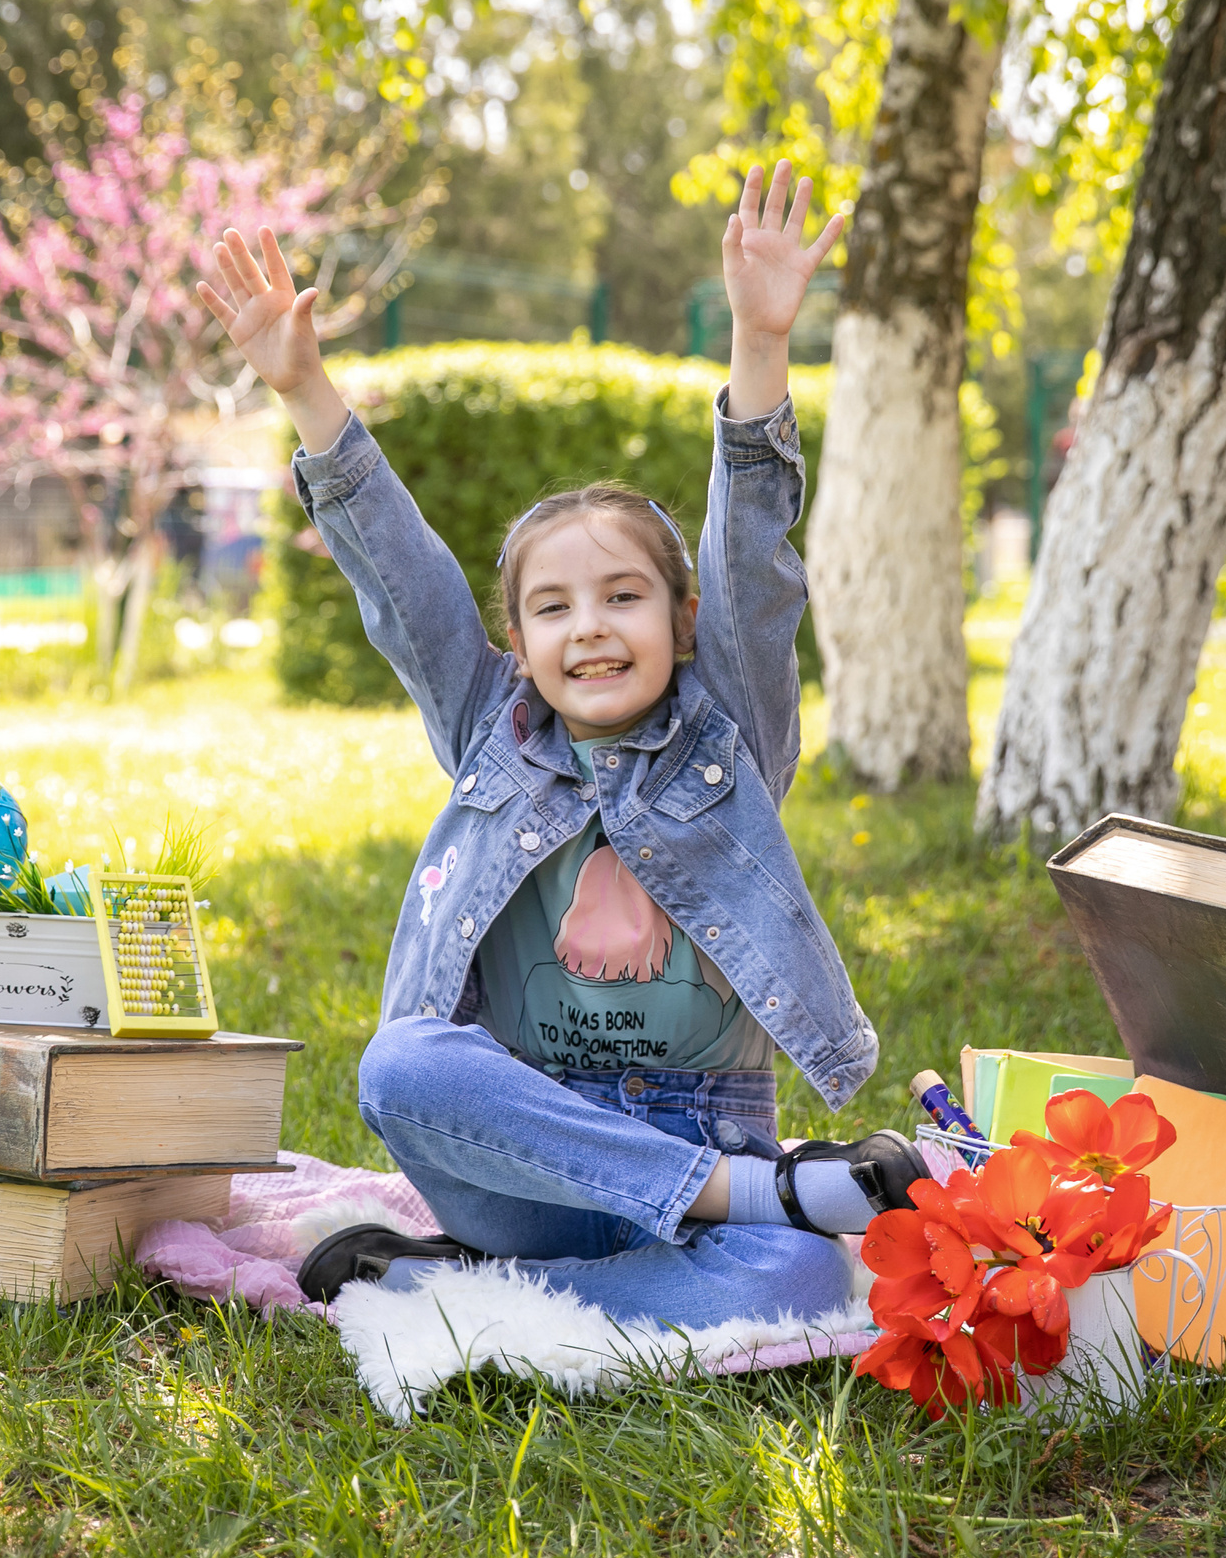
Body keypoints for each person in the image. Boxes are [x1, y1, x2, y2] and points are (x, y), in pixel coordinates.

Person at [199, 162, 919, 1330]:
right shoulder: (488, 727)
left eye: (624, 596)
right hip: (524, 1162)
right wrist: (305, 389)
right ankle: (742, 1209)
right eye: (553, 608)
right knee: (399, 1066)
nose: (589, 627)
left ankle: (455, 1292)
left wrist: (759, 341)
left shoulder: (728, 731)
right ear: (517, 644)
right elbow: (402, 580)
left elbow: (753, 560)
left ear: (683, 622)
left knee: (797, 1280)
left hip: (700, 1141)